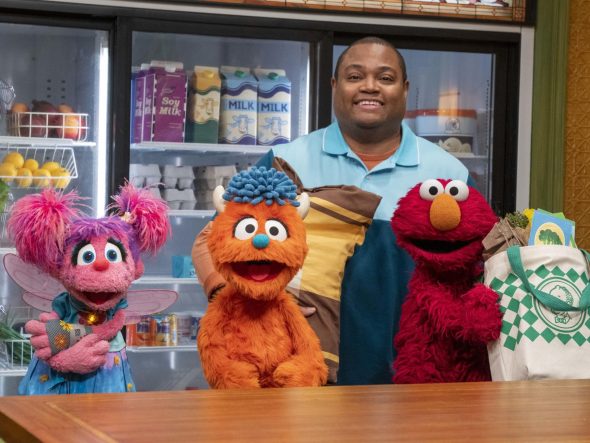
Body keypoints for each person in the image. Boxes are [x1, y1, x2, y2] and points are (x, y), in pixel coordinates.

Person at [193, 36, 471, 385]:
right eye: (355, 76)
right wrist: (231, 297)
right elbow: (212, 239)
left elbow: (477, 265)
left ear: (405, 88)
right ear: (335, 86)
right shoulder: (289, 162)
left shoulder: (447, 175)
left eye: (385, 78)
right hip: (307, 373)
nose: (370, 87)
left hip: (418, 375)